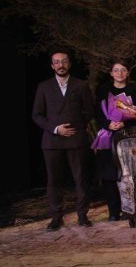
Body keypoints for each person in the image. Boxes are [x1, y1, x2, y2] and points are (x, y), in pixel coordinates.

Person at [32, 50, 95, 231]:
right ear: (52, 66)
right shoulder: (44, 87)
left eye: (64, 61)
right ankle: (56, 217)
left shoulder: (81, 85)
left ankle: (82, 215)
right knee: (54, 181)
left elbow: (89, 112)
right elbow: (37, 115)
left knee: (81, 179)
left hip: (76, 139)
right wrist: (56, 129)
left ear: (69, 64)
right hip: (52, 141)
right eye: (57, 62)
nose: (61, 65)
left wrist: (76, 127)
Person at [94, 60, 136, 221]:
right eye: (116, 70)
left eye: (123, 70)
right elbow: (97, 112)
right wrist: (108, 124)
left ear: (128, 72)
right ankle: (113, 211)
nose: (120, 73)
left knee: (129, 174)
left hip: (129, 136)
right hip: (108, 135)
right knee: (110, 174)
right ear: (111, 73)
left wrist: (125, 123)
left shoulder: (135, 89)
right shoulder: (103, 90)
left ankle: (130, 209)